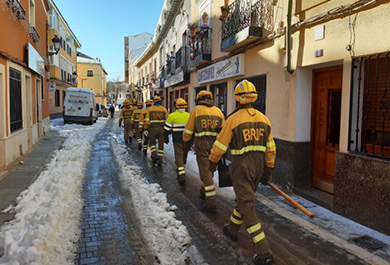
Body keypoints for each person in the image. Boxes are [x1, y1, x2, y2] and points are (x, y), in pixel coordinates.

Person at [208, 80, 276, 265]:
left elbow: (220, 145)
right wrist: (268, 169)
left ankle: (264, 252)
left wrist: (212, 162)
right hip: (259, 165)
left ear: (238, 98)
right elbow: (271, 148)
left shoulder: (233, 119)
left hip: (241, 167)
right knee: (244, 200)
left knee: (247, 205)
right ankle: (231, 229)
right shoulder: (264, 119)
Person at [183, 91, 225, 213]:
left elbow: (189, 130)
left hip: (202, 144)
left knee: (205, 172)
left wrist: (186, 140)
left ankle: (210, 201)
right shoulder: (218, 111)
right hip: (216, 144)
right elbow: (224, 130)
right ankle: (203, 191)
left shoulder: (196, 110)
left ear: (198, 99)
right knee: (209, 169)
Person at [164, 98, 190, 184]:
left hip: (177, 139)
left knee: (179, 155)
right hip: (187, 139)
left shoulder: (172, 116)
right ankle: (181, 167)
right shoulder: (189, 116)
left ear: (176, 106)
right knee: (184, 155)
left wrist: (166, 138)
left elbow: (166, 129)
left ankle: (181, 174)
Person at [144, 96, 168, 166]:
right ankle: (160, 159)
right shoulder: (164, 109)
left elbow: (147, 120)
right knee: (161, 144)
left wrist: (145, 128)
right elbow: (167, 119)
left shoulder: (150, 110)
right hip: (162, 129)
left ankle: (154, 155)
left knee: (152, 143)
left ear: (153, 102)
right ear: (160, 101)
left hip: (152, 129)